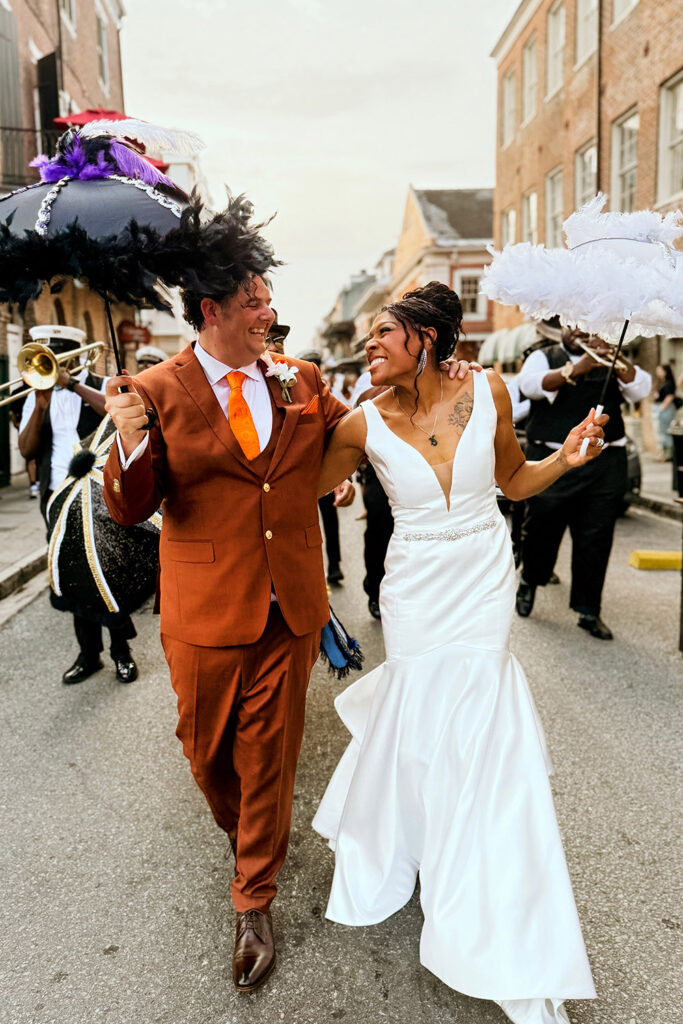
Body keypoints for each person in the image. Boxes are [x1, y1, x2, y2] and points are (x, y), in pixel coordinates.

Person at [312, 282, 603, 1024]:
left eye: (384, 332)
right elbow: (301, 490)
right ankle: (409, 836)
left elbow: (511, 481)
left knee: (481, 740)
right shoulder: (358, 425)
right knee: (419, 726)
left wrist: (565, 460)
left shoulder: (493, 392)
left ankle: (485, 898)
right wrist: (334, 493)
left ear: (429, 339)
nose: (369, 344)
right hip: (411, 591)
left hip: (479, 586)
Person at [18, 324, 138, 685]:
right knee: (71, 581)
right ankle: (89, 654)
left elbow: (116, 417)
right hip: (57, 499)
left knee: (108, 576)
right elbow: (25, 449)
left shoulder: (101, 385)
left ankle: (122, 653)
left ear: (76, 354)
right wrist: (40, 406)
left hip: (101, 495)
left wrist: (72, 385)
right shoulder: (35, 393)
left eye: (55, 355)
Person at [515, 325, 651, 639]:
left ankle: (589, 610)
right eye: (572, 325)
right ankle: (530, 580)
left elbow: (641, 388)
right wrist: (577, 368)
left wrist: (614, 360)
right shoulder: (543, 355)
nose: (580, 332)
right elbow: (531, 385)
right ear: (561, 329)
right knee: (541, 529)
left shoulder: (612, 361)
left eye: (587, 327)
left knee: (597, 535)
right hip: (553, 461)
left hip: (604, 464)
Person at [653, 363, 680, 461]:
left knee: (665, 432)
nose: (658, 373)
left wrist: (661, 408)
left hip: (664, 409)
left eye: (660, 370)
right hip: (660, 408)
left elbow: (669, 397)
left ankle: (668, 455)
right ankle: (663, 455)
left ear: (665, 372)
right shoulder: (661, 382)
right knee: (660, 432)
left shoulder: (669, 383)